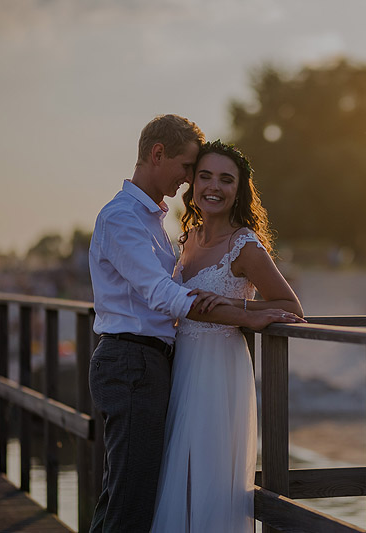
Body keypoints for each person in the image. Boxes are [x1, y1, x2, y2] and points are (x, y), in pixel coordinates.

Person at [88, 116, 303, 532]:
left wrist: (244, 312)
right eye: (192, 169)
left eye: (220, 178)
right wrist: (243, 315)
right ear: (157, 155)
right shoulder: (125, 219)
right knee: (130, 498)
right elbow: (163, 295)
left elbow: (285, 304)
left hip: (171, 367)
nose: (192, 181)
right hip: (134, 362)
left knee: (135, 491)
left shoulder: (157, 220)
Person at [150, 140, 304, 532]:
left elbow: (291, 306)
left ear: (238, 190)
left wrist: (233, 308)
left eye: (225, 179)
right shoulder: (187, 240)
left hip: (220, 372)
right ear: (193, 184)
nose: (213, 186)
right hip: (181, 368)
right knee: (180, 481)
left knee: (211, 479)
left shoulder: (245, 245)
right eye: (204, 176)